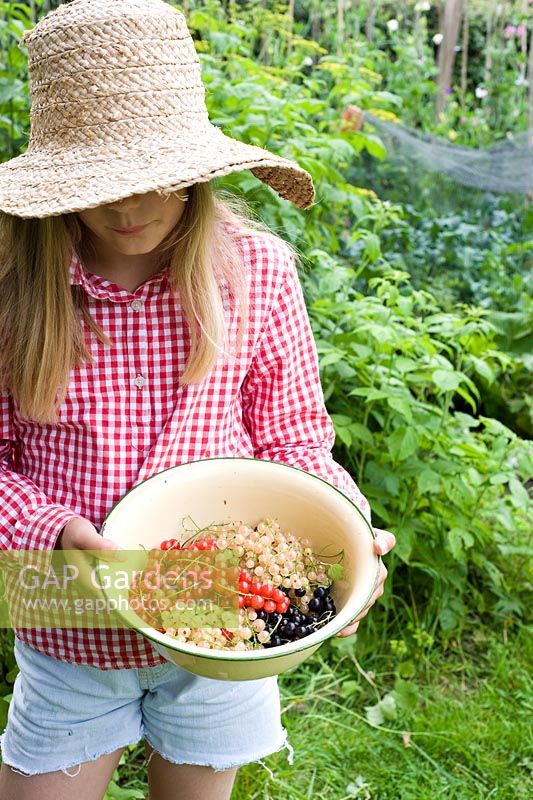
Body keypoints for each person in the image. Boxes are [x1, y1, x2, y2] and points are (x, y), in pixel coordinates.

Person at [0, 1, 395, 798]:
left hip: (226, 615)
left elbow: (291, 444)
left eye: (157, 179)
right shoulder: (15, 292)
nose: (129, 206)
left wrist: (348, 531)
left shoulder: (254, 271)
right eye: (101, 183)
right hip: (68, 620)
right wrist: (57, 529)